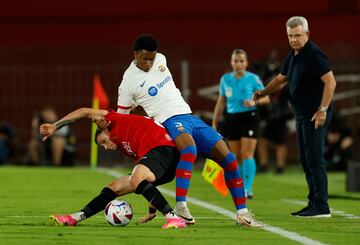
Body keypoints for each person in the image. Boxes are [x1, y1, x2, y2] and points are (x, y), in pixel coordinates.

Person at [116, 34, 262, 227]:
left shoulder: (161, 59)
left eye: (152, 58)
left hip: (189, 116)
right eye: (145, 59)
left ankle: (242, 213)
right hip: (168, 120)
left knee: (230, 160)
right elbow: (122, 119)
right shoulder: (128, 81)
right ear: (135, 54)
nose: (149, 63)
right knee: (190, 150)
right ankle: (181, 207)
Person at [40, 107, 186, 229]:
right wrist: (151, 209)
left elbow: (84, 111)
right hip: (164, 162)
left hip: (164, 148)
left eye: (103, 141)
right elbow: (148, 180)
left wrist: (55, 126)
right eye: (102, 146)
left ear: (105, 130)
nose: (105, 147)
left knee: (136, 176)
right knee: (114, 187)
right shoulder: (128, 148)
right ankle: (74, 218)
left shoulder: (114, 120)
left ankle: (173, 218)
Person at [253, 16, 336, 217]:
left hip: (315, 114)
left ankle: (321, 206)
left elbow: (331, 82)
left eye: (298, 35)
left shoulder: (315, 54)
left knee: (314, 159)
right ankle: (313, 202)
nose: (294, 40)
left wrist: (322, 110)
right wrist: (263, 92)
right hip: (301, 114)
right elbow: (281, 80)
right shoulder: (293, 55)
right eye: (290, 36)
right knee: (306, 159)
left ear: (307, 34)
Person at [212, 49, 270, 199]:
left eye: (241, 61)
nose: (238, 64)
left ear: (246, 63)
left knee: (247, 153)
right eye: (236, 61)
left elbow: (266, 99)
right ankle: (240, 186)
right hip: (231, 119)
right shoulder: (225, 79)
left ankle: (248, 189)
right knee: (236, 156)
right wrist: (214, 122)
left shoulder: (253, 79)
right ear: (231, 63)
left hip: (249, 117)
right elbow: (221, 101)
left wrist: (254, 101)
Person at [257, 86, 293, 174]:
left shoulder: (286, 91)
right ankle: (263, 165)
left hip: (280, 121)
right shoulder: (266, 91)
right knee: (262, 141)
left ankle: (280, 166)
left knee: (280, 144)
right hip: (268, 121)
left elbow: (289, 109)